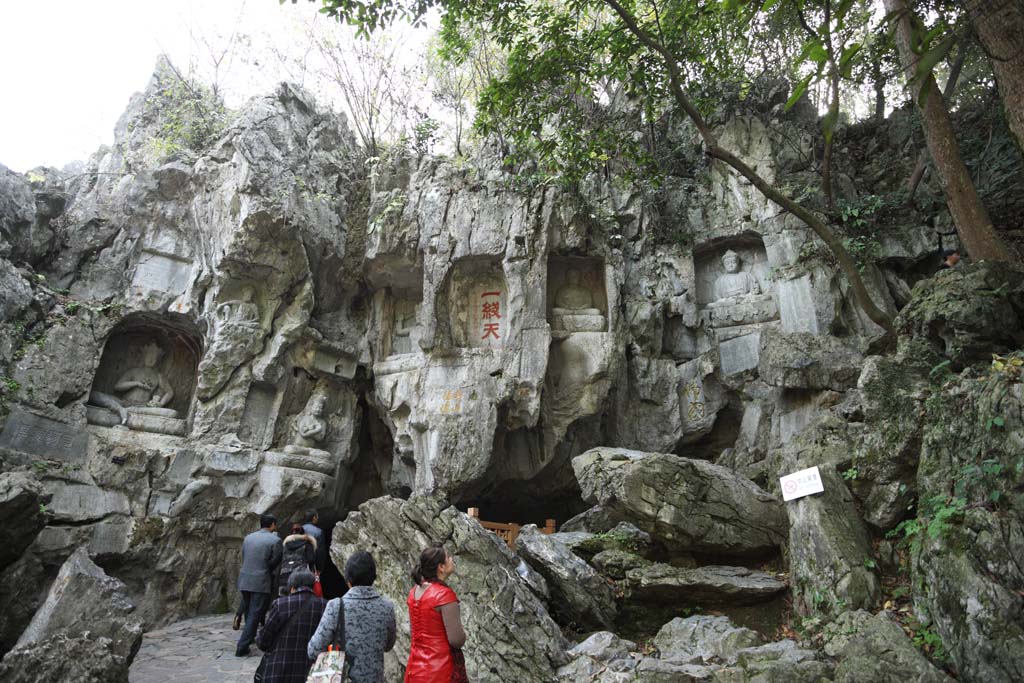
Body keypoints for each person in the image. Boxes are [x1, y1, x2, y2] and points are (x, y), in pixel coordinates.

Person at [308, 551, 397, 683]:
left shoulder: (336, 606)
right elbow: (388, 645)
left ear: (348, 579)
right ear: (374, 577)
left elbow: (313, 650)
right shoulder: (387, 607)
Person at [404, 545, 467, 683]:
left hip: (415, 669)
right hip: (441, 671)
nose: (451, 559)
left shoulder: (414, 592)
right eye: (448, 557)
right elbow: (456, 640)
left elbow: (414, 632)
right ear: (441, 567)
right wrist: (464, 635)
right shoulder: (444, 595)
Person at [256, 569, 327, 683]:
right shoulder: (325, 606)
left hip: (279, 670)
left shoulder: (281, 604)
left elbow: (263, 640)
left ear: (292, 586)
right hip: (310, 671)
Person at [235, 514, 282, 656]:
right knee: (255, 613)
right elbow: (276, 560)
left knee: (249, 610)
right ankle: (242, 646)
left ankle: (249, 638)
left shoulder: (248, 538)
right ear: (273, 524)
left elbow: (244, 556)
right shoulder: (275, 540)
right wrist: (266, 568)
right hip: (261, 580)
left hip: (245, 578)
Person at [278, 524, 318, 596]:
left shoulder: (285, 545)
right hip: (301, 574)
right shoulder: (307, 544)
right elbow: (311, 559)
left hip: (284, 573)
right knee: (300, 596)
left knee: (284, 596)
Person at [302, 508, 327, 573]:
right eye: (317, 516)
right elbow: (320, 552)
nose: (318, 518)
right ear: (314, 517)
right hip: (311, 565)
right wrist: (320, 568)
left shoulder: (298, 530)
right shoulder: (318, 532)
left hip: (298, 564)